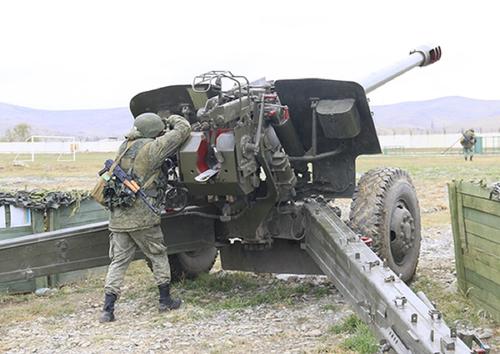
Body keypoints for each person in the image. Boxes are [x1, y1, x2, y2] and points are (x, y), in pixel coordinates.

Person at [99, 112, 191, 323]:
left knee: (118, 262)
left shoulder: (124, 147)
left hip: (119, 217)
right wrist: (171, 119)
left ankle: (107, 310)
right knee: (157, 255)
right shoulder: (153, 149)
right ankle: (165, 300)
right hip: (143, 217)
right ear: (154, 132)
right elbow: (183, 129)